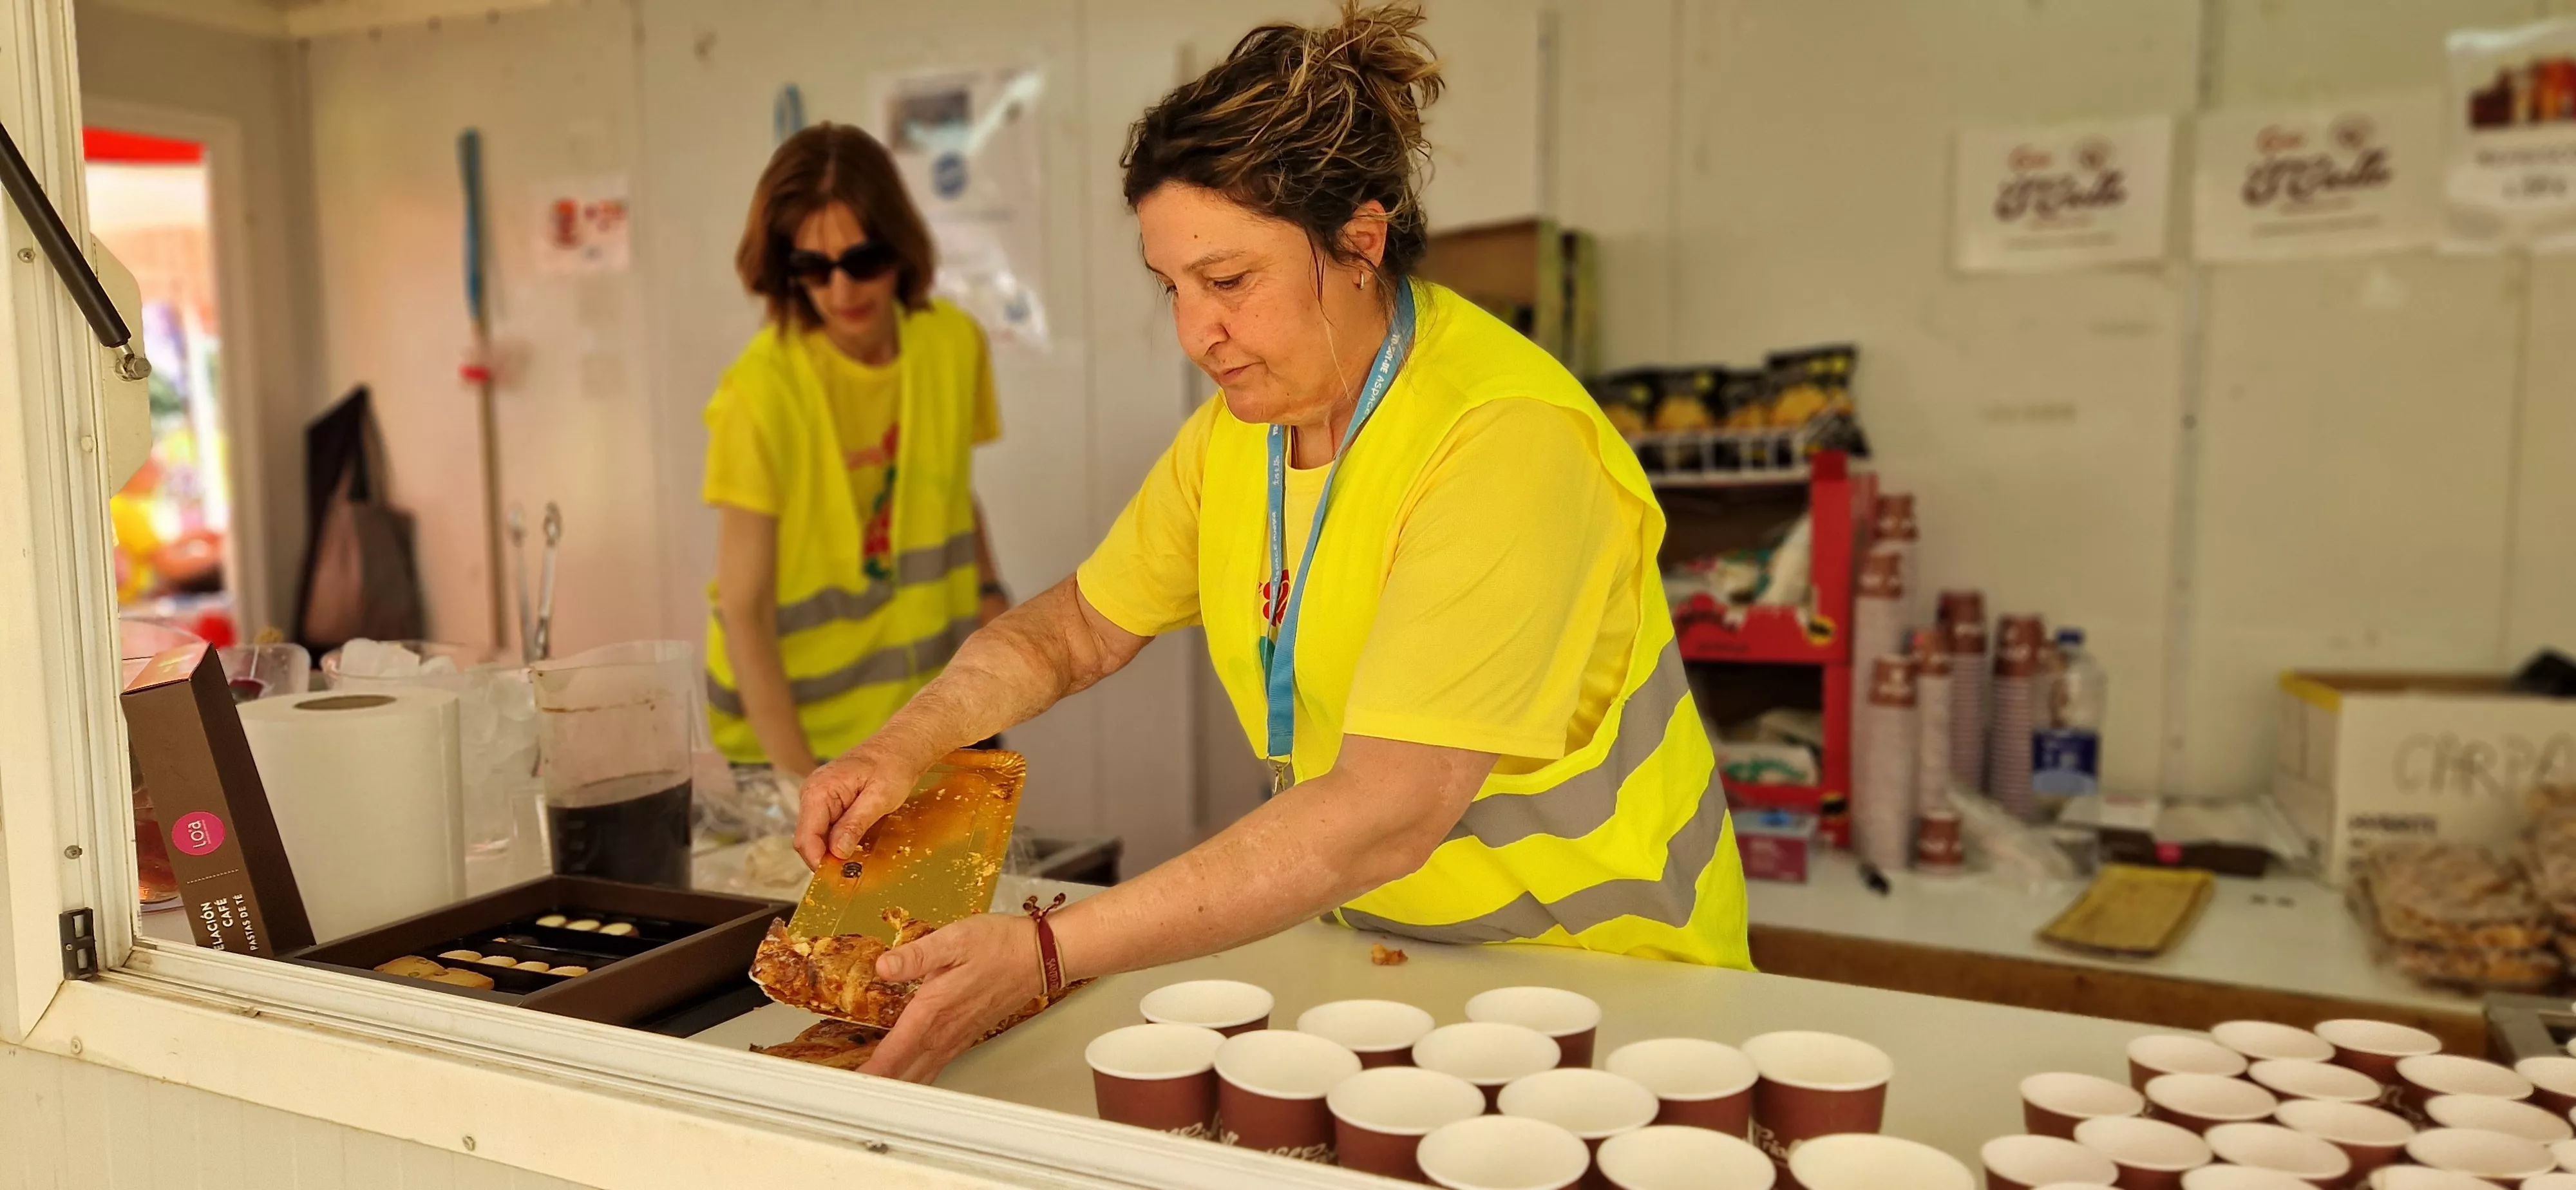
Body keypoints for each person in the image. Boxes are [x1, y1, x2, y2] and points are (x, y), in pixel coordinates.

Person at [797, 1, 1750, 1083]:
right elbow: (1071, 631)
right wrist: (899, 747)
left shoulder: (1505, 441)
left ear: (1359, 241)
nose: (1194, 331)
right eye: (1173, 287)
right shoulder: (1241, 438)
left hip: (1606, 991)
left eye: (1229, 280)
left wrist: (1049, 950)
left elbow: (1386, 812)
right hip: (1392, 966)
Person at [702, 124, 1010, 779]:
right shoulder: (759, 394)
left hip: (936, 719)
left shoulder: (953, 345)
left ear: (898, 249)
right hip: (801, 742)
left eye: (862, 261)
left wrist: (990, 599)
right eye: (813, 268)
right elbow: (745, 610)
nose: (841, 291)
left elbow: (951, 492)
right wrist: (800, 784)